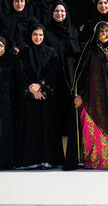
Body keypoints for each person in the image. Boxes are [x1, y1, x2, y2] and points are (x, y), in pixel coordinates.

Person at [72, 22, 108, 169]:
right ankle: (92, 162)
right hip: (90, 99)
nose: (104, 34)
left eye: (107, 31)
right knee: (91, 133)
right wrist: (79, 94)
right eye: (101, 32)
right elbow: (82, 73)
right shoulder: (90, 50)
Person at [14, 24, 63, 169]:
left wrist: (41, 86)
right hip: (29, 99)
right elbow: (20, 72)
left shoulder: (51, 52)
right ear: (30, 35)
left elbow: (54, 71)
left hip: (46, 97)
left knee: (47, 128)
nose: (38, 37)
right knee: (30, 128)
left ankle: (47, 160)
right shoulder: (24, 52)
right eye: (35, 34)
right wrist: (31, 88)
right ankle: (30, 161)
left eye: (40, 35)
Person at [45, 2, 81, 137]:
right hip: (53, 75)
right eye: (56, 11)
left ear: (66, 13)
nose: (59, 14)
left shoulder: (73, 30)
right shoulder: (47, 32)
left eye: (62, 11)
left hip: (70, 75)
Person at [0, 37, 14, 169]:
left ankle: (5, 161)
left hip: (6, 102)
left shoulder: (10, 62)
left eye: (0, 46)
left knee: (5, 131)